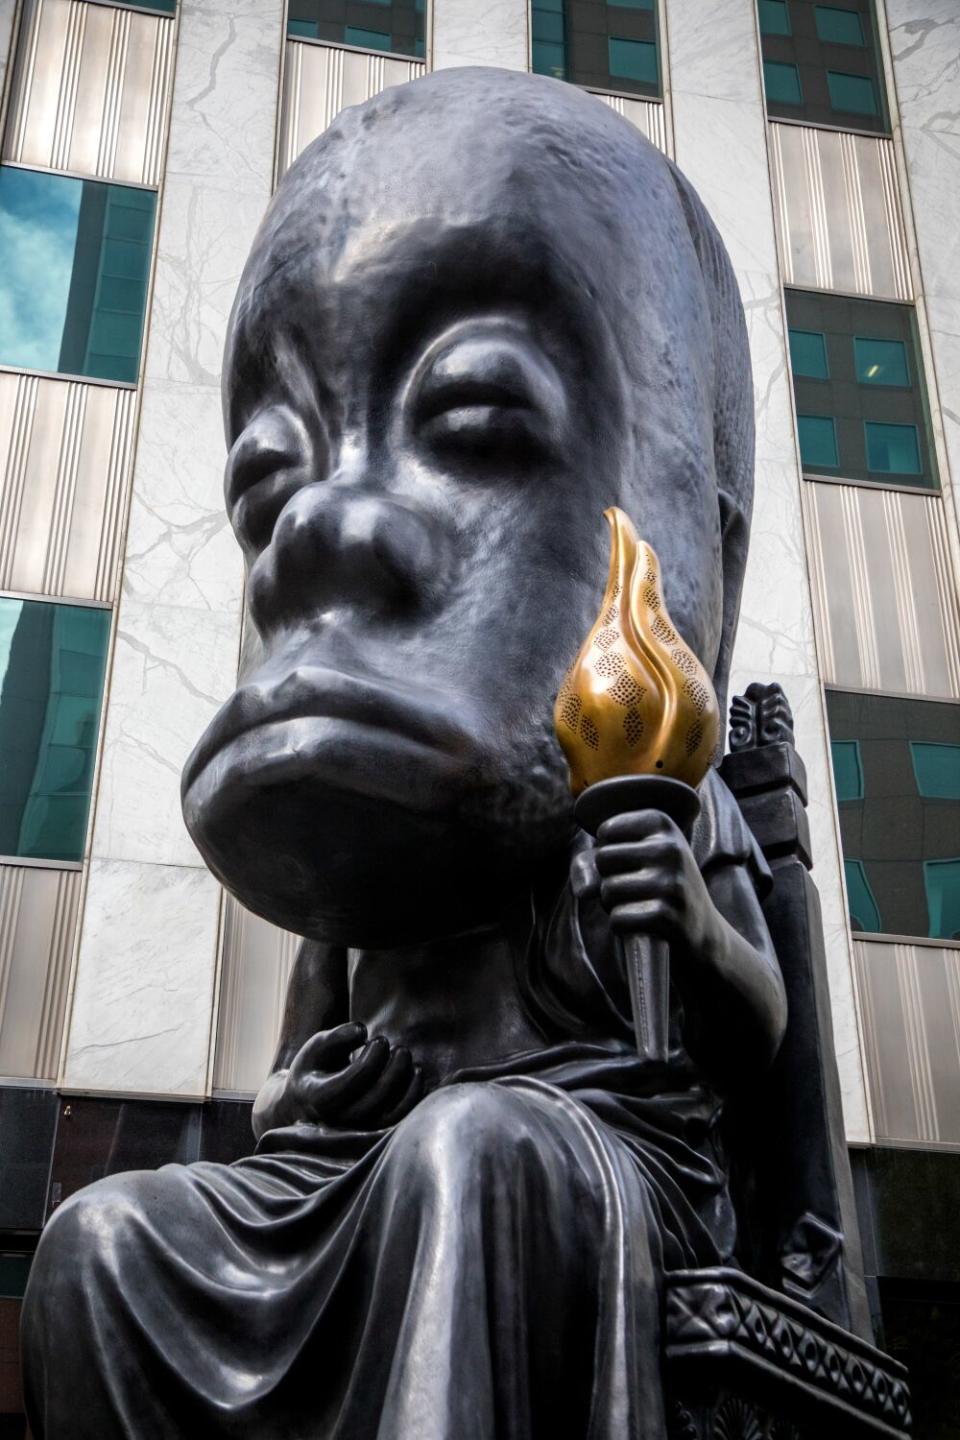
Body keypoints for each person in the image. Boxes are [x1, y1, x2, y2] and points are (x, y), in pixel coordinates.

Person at [22, 67, 786, 1439]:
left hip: (586, 1152)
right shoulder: (355, 871)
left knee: (471, 1149)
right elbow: (294, 1075)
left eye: (474, 419)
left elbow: (756, 1028)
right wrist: (305, 1089)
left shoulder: (658, 782)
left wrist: (692, 925)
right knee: (105, 1240)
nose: (315, 531)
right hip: (366, 1163)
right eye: (275, 477)